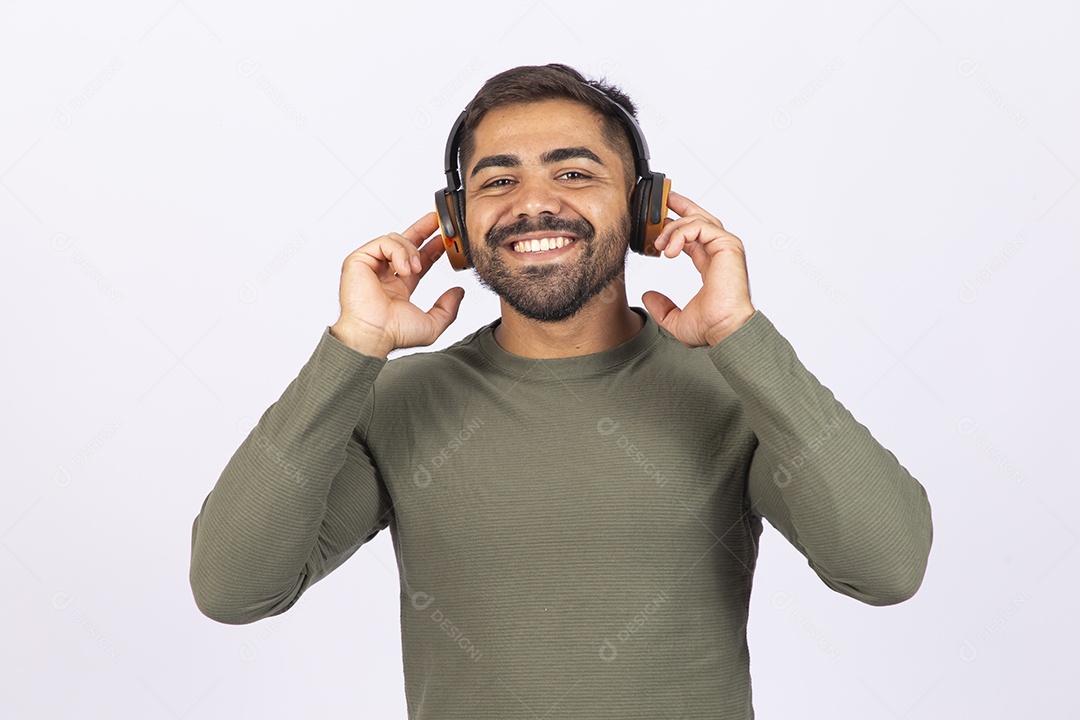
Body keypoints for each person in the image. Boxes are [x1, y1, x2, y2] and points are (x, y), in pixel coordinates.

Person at [190, 63, 933, 719]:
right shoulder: (395, 399)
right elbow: (234, 589)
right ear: (455, 226)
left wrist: (741, 332)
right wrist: (352, 348)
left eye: (574, 173)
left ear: (646, 213)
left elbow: (886, 568)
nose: (533, 204)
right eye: (498, 179)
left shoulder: (736, 391)